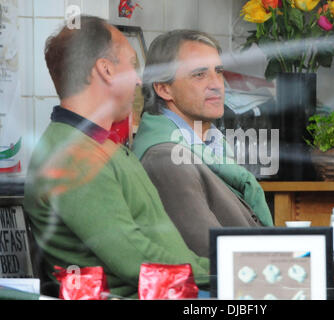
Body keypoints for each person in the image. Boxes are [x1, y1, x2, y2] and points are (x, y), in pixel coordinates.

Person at [23, 16, 209, 299]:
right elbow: (134, 258)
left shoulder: (91, 145)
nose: (137, 78)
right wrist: (222, 272)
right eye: (132, 65)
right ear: (106, 70)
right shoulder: (73, 156)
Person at [132, 30, 274, 258]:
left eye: (218, 72)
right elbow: (208, 253)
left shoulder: (209, 143)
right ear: (163, 88)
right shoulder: (166, 159)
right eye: (199, 75)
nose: (216, 85)